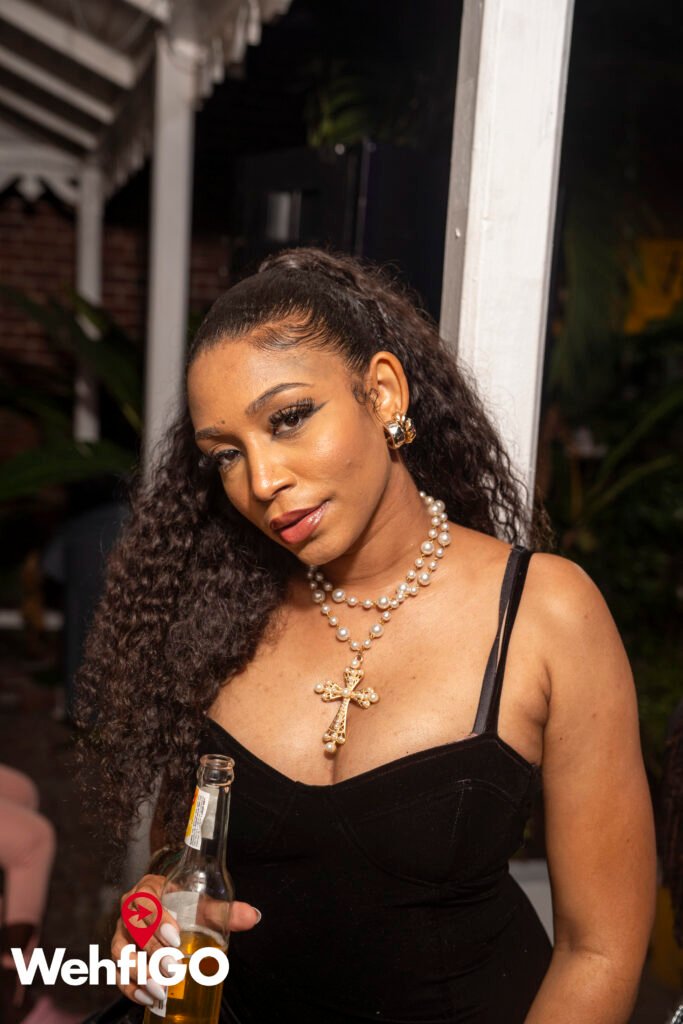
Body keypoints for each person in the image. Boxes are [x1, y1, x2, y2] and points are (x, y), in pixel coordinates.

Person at [75, 248, 657, 1023]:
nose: (262, 481)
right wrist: (160, 906)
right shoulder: (218, 617)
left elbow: (601, 950)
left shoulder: (544, 612)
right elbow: (186, 860)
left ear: (381, 392)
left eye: (289, 418)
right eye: (227, 456)